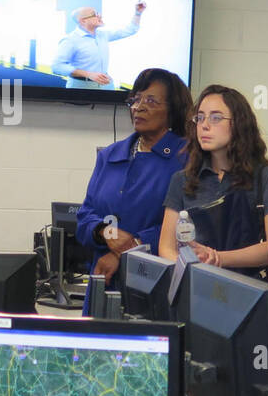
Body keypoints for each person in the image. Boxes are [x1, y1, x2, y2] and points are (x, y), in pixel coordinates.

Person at [75, 68, 190, 291]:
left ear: (172, 110)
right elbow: (85, 216)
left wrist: (131, 248)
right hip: (103, 280)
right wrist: (106, 233)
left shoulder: (186, 158)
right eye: (135, 99)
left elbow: (188, 226)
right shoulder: (110, 155)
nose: (139, 107)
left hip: (156, 283)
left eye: (151, 100)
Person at [158, 84, 268, 278]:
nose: (204, 125)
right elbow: (166, 248)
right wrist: (189, 271)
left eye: (216, 118)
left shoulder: (266, 177)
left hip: (249, 289)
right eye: (200, 118)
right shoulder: (181, 180)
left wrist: (218, 258)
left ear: (239, 123)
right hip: (194, 286)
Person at [52, 2, 145, 89]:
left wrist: (138, 13)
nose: (100, 16)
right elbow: (57, 66)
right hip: (81, 87)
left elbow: (130, 30)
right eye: (95, 14)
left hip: (106, 84)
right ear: (83, 21)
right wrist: (88, 74)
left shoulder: (103, 34)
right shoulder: (70, 40)